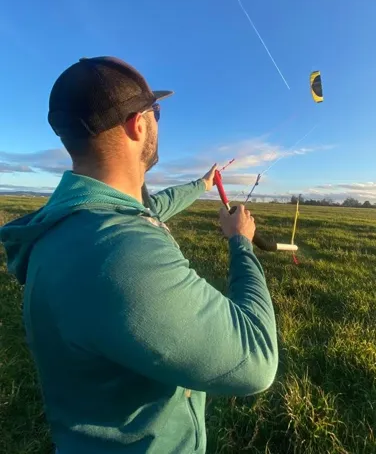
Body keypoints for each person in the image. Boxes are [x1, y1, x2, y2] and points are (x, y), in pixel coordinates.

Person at [0, 56, 278, 454]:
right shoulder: (121, 252)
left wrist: (201, 183)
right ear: (138, 124)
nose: (157, 122)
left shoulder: (69, 221)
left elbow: (152, 206)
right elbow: (256, 359)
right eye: (156, 112)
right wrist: (241, 244)